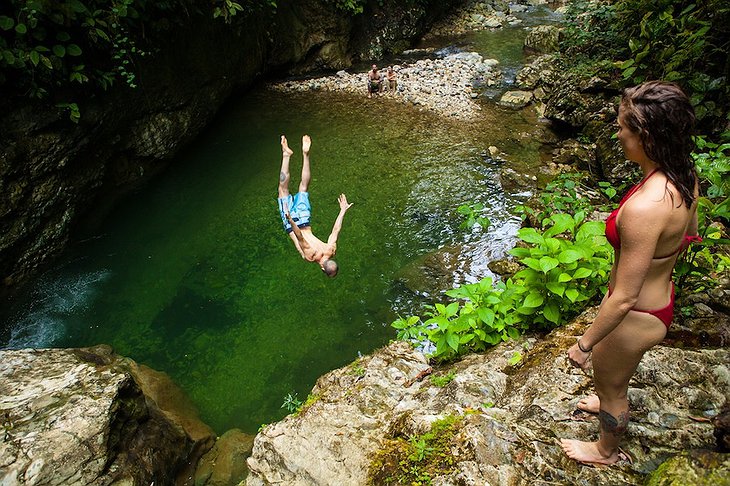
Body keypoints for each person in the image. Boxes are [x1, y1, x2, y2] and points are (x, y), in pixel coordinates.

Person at [560, 81, 701, 465]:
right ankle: (607, 394)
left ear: (648, 135)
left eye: (624, 126)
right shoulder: (683, 176)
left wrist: (584, 345)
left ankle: (606, 450)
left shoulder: (646, 208)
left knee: (611, 383)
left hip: (635, 313)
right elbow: (690, 233)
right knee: (613, 376)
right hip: (660, 298)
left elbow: (623, 297)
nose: (617, 133)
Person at [277, 134, 353, 277]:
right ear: (323, 269)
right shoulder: (311, 256)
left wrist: (342, 210)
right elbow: (299, 236)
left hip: (305, 219)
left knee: (304, 187)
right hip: (292, 223)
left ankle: (306, 155)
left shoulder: (331, 249)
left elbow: (336, 230)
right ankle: (286, 155)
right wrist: (290, 219)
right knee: (283, 190)